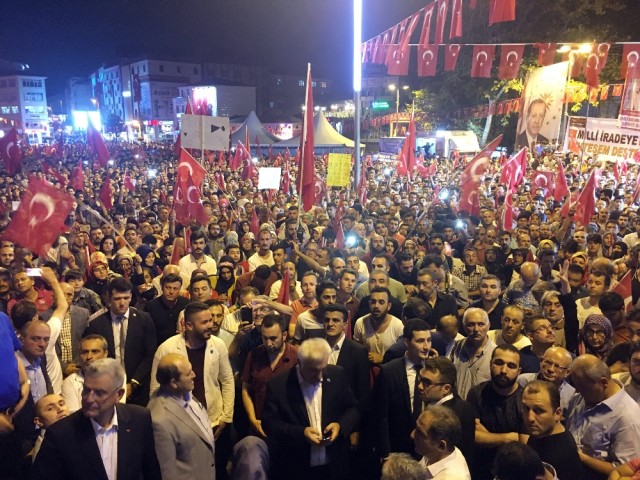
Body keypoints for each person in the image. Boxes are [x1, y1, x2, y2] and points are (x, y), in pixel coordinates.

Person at [31, 358, 161, 480]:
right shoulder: (61, 433)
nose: (89, 399)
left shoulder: (139, 419)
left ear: (118, 395)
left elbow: (151, 472)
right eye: (86, 390)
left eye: (99, 393)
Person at [150, 301, 234, 480]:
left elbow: (227, 380)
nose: (210, 325)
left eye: (210, 320)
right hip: (182, 426)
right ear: (188, 325)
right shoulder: (167, 349)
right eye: (204, 322)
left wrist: (226, 417)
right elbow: (155, 391)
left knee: (217, 469)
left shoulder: (217, 345)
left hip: (215, 420)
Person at [262, 338, 360, 480]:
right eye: (314, 370)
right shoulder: (279, 385)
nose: (320, 376)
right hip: (296, 467)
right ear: (300, 363)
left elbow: (353, 408)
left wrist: (340, 426)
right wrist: (301, 433)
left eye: (323, 368)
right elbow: (270, 424)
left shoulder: (337, 374)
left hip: (334, 466)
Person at [83, 276, 157, 405]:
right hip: (107, 386)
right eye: (117, 298)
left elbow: (150, 354)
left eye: (126, 298)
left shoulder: (144, 319)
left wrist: (134, 383)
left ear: (130, 297)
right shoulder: (96, 324)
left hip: (138, 386)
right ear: (109, 299)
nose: (122, 303)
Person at [566, 354, 640, 479]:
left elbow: (625, 472)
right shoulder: (583, 396)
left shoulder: (628, 417)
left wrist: (583, 458)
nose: (578, 391)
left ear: (603, 383)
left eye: (582, 387)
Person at [148, 353, 216, 480]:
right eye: (188, 373)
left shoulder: (183, 391)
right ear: (173, 382)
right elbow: (167, 472)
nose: (194, 375)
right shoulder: (160, 421)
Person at [373, 319, 433, 459]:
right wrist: (385, 454)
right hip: (399, 447)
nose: (426, 346)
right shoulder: (389, 371)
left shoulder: (435, 369)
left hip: (430, 447)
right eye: (420, 341)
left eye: (429, 340)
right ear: (406, 342)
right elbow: (381, 417)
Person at [467, 344, 527, 480]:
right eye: (499, 363)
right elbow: (473, 436)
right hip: (481, 468)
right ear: (490, 364)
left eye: (511, 366)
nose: (503, 370)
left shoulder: (526, 399)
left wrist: (488, 437)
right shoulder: (477, 393)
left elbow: (524, 444)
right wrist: (510, 437)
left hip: (514, 472)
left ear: (519, 371)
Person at [241, 313, 298, 438]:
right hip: (259, 424)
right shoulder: (254, 354)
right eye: (264, 338)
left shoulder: (296, 357)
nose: (268, 343)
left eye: (273, 338)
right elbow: (246, 389)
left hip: (287, 428)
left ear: (284, 335)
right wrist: (252, 418)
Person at [418, 356, 476, 468]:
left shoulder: (449, 416)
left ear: (446, 388)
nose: (420, 386)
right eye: (421, 379)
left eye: (427, 383)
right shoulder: (463, 406)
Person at [522, 380, 583, 480]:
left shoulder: (564, 455)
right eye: (526, 408)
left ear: (557, 414)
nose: (530, 418)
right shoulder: (541, 432)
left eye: (539, 411)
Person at [61, 334, 126, 412]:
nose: (89, 356)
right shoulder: (69, 383)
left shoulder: (117, 376)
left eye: (95, 351)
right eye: (84, 352)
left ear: (105, 353)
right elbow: (74, 418)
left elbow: (117, 409)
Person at [412, 405, 471, 480]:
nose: (413, 435)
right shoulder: (435, 453)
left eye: (420, 433)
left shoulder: (452, 477)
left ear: (441, 445)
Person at [450, 307, 496, 400]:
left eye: (481, 324)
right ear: (463, 326)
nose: (476, 329)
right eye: (471, 324)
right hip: (457, 407)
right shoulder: (456, 347)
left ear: (488, 326)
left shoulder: (495, 354)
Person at [517, 346, 575, 416]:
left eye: (557, 366)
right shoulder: (523, 381)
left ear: (567, 372)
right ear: (541, 361)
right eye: (548, 362)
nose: (551, 369)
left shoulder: (571, 396)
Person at [353, 286, 404, 365]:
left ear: (389, 306)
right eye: (373, 302)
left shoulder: (398, 326)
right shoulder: (361, 322)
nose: (376, 306)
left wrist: (383, 358)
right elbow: (356, 352)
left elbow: (402, 357)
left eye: (381, 302)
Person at [144, 272, 189, 345]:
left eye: (175, 288)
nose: (171, 292)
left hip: (181, 345)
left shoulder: (186, 304)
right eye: (168, 287)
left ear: (179, 290)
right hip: (157, 347)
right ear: (162, 288)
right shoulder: (151, 306)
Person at [31, 393, 70, 461]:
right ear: (39, 421)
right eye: (50, 409)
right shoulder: (45, 451)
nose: (60, 409)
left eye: (61, 404)